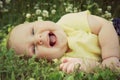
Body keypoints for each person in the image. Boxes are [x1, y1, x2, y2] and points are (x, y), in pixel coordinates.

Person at [7, 10, 120, 73]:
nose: (38, 39)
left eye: (33, 31)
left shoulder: (68, 21)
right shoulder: (64, 64)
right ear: (42, 61)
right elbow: (102, 68)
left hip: (115, 33)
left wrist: (110, 57)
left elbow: (104, 26)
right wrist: (89, 66)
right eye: (33, 48)